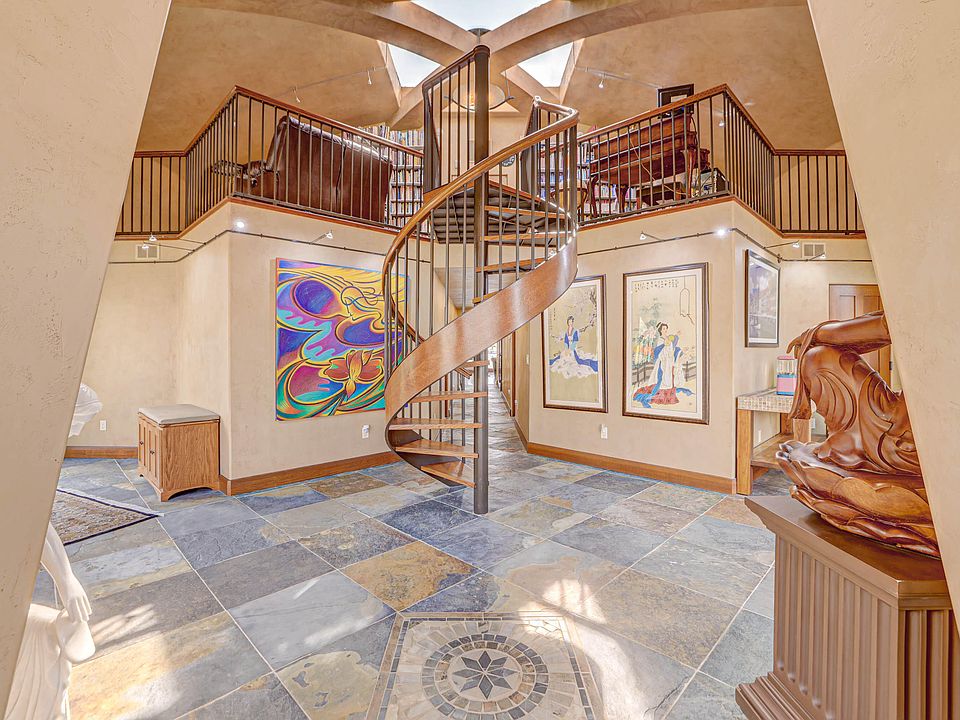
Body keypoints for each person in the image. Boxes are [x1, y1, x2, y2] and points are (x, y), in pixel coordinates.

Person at [633, 323, 692, 408]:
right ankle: (650, 397)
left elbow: (672, 348)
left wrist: (680, 350)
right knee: (661, 380)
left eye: (666, 328)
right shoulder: (660, 340)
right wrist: (672, 341)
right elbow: (659, 352)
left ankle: (667, 395)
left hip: (669, 363)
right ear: (660, 330)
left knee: (669, 380)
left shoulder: (668, 338)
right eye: (663, 329)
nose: (665, 330)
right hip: (662, 364)